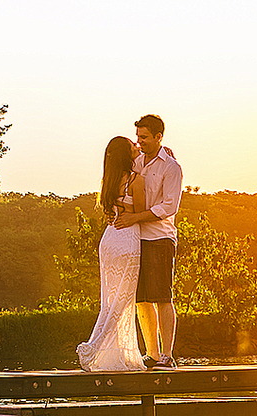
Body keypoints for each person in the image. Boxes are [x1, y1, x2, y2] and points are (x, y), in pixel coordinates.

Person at [115, 114, 183, 369]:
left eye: (144, 137)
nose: (139, 141)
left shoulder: (171, 167)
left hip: (160, 238)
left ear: (159, 137)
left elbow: (168, 206)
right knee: (142, 299)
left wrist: (135, 217)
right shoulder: (137, 162)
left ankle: (168, 355)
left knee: (162, 297)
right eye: (138, 137)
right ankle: (152, 354)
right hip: (136, 240)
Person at [77, 136, 148, 372]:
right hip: (127, 239)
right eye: (132, 146)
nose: (137, 148)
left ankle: (112, 354)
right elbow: (141, 211)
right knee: (122, 300)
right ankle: (93, 348)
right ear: (126, 155)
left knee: (110, 300)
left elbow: (113, 209)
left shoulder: (109, 181)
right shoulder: (135, 180)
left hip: (109, 238)